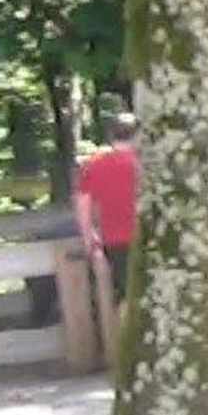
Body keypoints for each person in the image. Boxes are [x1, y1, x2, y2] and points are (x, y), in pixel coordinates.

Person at [72, 111, 140, 331]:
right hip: (145, 237)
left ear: (111, 135)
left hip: (113, 239)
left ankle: (124, 340)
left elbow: (83, 206)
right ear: (137, 135)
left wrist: (89, 240)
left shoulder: (93, 165)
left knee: (123, 295)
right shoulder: (145, 165)